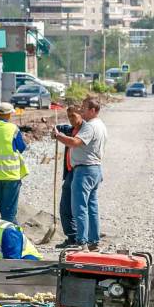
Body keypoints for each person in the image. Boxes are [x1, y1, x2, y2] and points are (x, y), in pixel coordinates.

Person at [56, 96, 106, 250]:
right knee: (91, 207)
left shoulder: (90, 127)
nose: (82, 110)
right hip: (95, 169)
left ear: (93, 110)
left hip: (84, 170)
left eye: (84, 108)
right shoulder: (100, 125)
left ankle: (81, 241)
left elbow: (75, 142)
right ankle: (93, 241)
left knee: (80, 207)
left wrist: (58, 136)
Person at [0, 102, 29, 223]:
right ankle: (13, 237)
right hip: (10, 176)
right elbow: (21, 148)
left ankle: (10, 234)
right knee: (9, 212)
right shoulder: (13, 129)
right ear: (9, 115)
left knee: (4, 209)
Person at [56, 105, 83, 248]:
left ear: (81, 114)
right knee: (65, 207)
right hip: (70, 172)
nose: (71, 120)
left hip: (79, 171)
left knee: (74, 207)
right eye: (69, 117)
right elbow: (62, 128)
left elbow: (73, 141)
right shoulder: (70, 129)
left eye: (73, 116)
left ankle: (79, 238)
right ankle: (73, 237)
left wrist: (59, 135)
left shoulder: (84, 130)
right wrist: (56, 130)